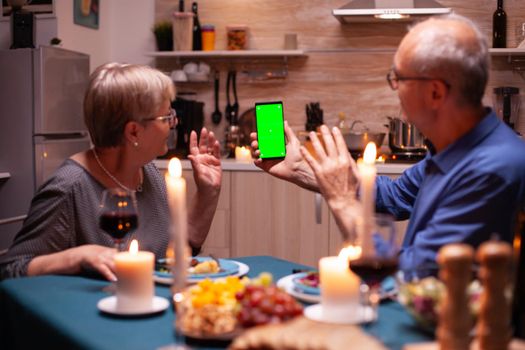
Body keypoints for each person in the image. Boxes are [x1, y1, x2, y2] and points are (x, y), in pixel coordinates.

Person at [251, 14, 525, 273]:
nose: (394, 87)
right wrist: (303, 170)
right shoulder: (453, 146)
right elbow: (393, 198)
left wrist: (343, 201)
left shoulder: (493, 170)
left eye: (399, 78)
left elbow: (415, 276)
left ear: (435, 92)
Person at [0, 63, 222, 281]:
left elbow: (178, 255)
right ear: (133, 132)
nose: (174, 122)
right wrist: (77, 256)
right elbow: (10, 271)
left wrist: (208, 193)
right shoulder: (68, 188)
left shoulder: (148, 172)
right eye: (166, 117)